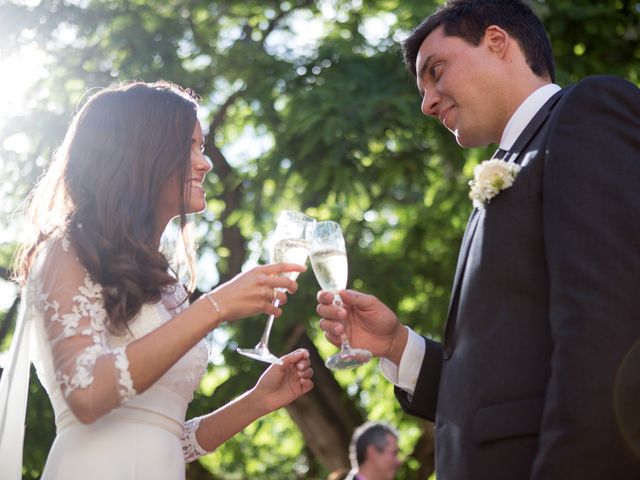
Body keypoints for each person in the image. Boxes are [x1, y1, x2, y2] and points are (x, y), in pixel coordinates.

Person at [317, 0, 640, 478]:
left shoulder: (586, 112)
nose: (427, 102)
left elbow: (609, 325)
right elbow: (499, 385)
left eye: (437, 70)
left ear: (496, 41)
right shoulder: (508, 169)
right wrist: (397, 346)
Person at [0, 81, 314, 480]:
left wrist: (255, 402)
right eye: (190, 146)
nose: (206, 163)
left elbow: (161, 437)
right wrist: (214, 308)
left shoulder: (165, 283)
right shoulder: (66, 250)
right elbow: (86, 395)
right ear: (140, 153)